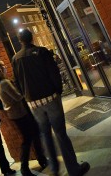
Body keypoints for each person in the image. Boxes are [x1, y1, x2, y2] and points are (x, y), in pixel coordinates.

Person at [12, 29, 90, 176]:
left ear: (19, 40)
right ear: (32, 37)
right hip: (50, 98)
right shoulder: (42, 52)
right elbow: (53, 72)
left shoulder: (15, 58)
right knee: (60, 133)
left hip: (34, 104)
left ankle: (54, 169)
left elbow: (17, 82)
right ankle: (73, 169)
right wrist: (57, 91)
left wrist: (26, 97)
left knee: (45, 134)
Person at [0, 59, 47, 176]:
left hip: (17, 114)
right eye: (3, 66)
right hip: (20, 113)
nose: (5, 67)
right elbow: (18, 96)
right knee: (27, 139)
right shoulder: (4, 83)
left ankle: (41, 159)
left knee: (32, 135)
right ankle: (25, 167)